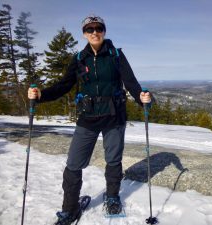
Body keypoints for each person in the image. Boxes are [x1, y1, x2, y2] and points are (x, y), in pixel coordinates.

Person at [28, 15, 151, 224]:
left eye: (99, 28)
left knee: (113, 160)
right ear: (84, 33)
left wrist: (142, 97)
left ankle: (112, 197)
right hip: (88, 117)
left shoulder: (116, 54)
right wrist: (41, 95)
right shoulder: (78, 59)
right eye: (90, 29)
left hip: (114, 116)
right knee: (73, 164)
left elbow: (130, 82)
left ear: (104, 30)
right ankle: (70, 208)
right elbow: (64, 85)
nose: (95, 32)